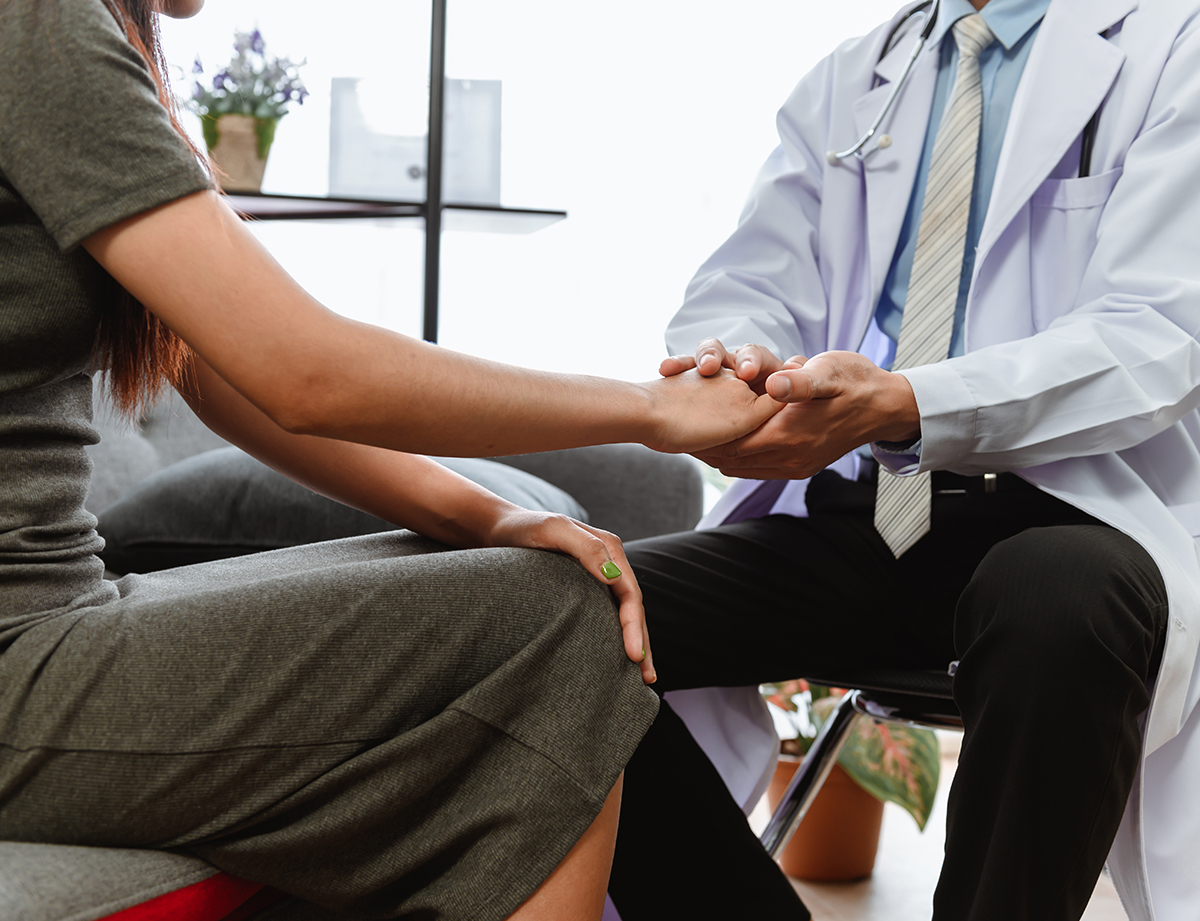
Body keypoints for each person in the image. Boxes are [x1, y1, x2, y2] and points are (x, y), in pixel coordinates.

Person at [0, 1, 783, 919]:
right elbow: (304, 369)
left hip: (48, 626)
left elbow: (228, 367)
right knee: (559, 623)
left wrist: (490, 516)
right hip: (23, 656)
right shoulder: (38, 20)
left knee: (535, 581)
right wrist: (656, 409)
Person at [604, 0, 1200, 919]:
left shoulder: (1174, 43)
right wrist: (743, 368)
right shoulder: (858, 74)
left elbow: (1158, 337)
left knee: (1058, 594)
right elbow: (749, 284)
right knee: (577, 615)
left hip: (1080, 513)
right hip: (868, 511)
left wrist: (910, 402)